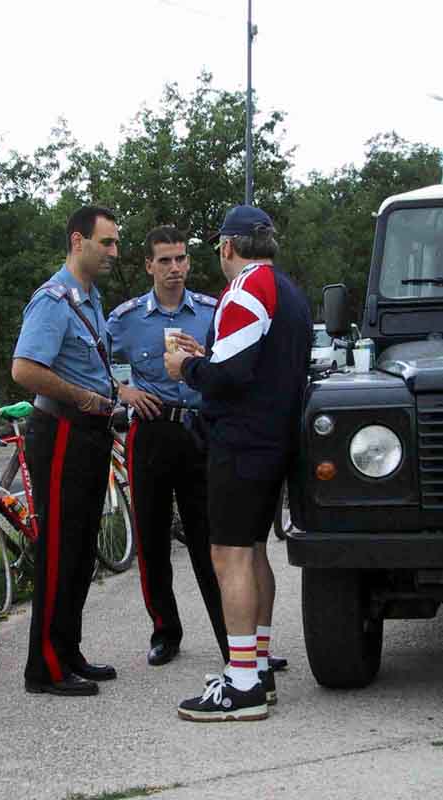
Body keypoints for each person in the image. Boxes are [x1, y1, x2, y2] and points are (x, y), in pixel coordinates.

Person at [165, 205, 312, 722]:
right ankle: (257, 666)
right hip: (273, 439)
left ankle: (243, 681)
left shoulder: (246, 288)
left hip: (243, 442)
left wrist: (186, 366)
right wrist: (207, 355)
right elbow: (252, 361)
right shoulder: (287, 290)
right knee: (252, 551)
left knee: (229, 555)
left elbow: (228, 378)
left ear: (227, 246)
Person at [107, 226, 229, 667]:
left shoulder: (212, 313)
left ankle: (231, 637)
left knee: (210, 539)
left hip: (199, 431)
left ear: (189, 262)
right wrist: (122, 392)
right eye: (164, 260)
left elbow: (231, 365)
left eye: (180, 259)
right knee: (152, 538)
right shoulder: (126, 319)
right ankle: (165, 632)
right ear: (149, 266)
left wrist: (205, 361)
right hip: (152, 432)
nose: (174, 268)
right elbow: (91, 363)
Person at [12, 205, 120, 697]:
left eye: (115, 243)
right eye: (106, 242)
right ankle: (45, 668)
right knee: (58, 548)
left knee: (79, 550)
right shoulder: (53, 301)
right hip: (61, 432)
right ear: (79, 241)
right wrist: (81, 397)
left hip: (90, 434)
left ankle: (67, 651)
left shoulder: (90, 299)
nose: (114, 251)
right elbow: (24, 369)